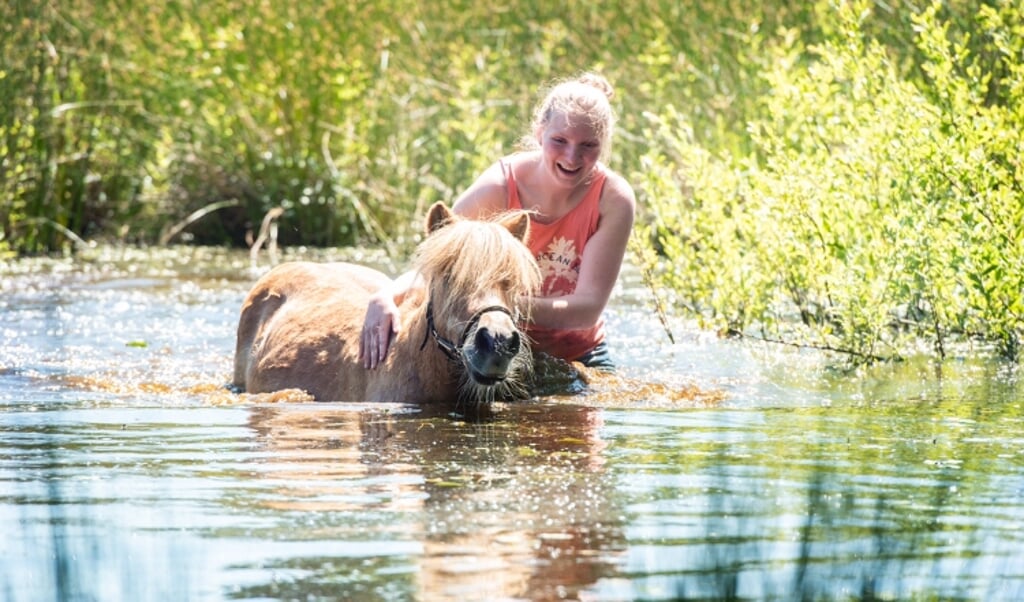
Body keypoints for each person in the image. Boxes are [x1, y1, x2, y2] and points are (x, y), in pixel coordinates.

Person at [361, 72, 636, 371]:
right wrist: (386, 295)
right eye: (560, 140)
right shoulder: (498, 187)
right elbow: (437, 266)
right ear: (539, 132)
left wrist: (499, 307)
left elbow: (587, 309)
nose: (572, 157)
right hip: (489, 345)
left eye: (588, 146)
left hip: (579, 354)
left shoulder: (612, 199)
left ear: (605, 145)